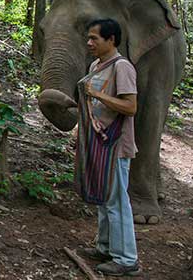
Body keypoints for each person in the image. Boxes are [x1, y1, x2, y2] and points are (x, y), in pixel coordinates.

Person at [77, 18, 140, 276]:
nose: (89, 43)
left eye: (95, 38)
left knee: (116, 201)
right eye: (89, 38)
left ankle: (126, 259)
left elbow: (130, 107)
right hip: (99, 142)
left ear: (111, 39)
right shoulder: (96, 65)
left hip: (115, 144)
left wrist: (97, 95)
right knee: (103, 198)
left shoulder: (122, 68)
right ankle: (105, 247)